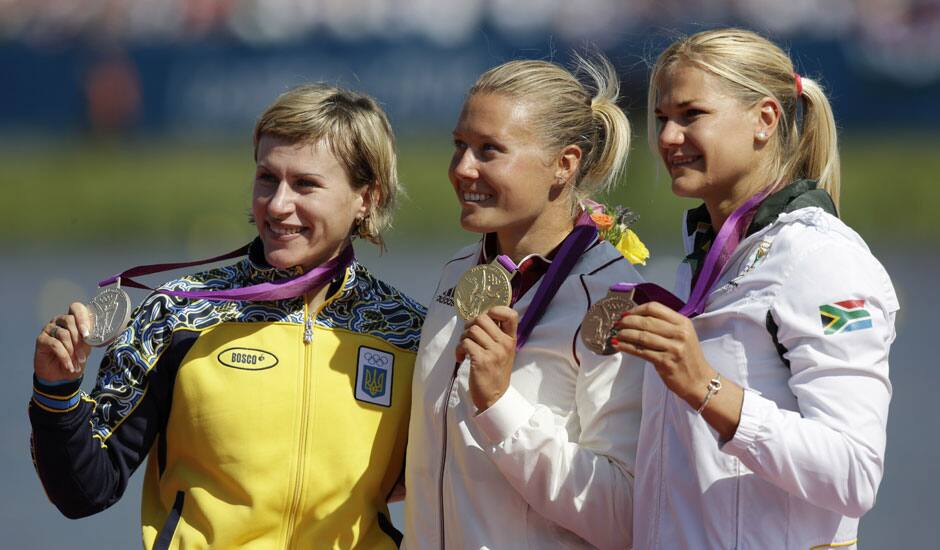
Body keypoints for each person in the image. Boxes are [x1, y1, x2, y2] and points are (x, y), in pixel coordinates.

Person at [29, 84, 426, 548]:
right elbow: (85, 491)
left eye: (305, 184)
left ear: (368, 198)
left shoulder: (409, 334)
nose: (277, 205)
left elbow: (440, 490)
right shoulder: (177, 314)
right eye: (266, 178)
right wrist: (56, 391)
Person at [610, 28, 899, 549]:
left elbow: (855, 473)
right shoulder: (703, 260)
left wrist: (705, 386)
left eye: (691, 115)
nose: (668, 138)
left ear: (765, 120)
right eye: (661, 120)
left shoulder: (821, 260)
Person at [403, 55, 644, 549]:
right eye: (459, 145)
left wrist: (499, 406)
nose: (462, 169)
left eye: (490, 150)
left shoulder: (612, 302)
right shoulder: (458, 273)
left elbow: (626, 514)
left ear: (564, 164)